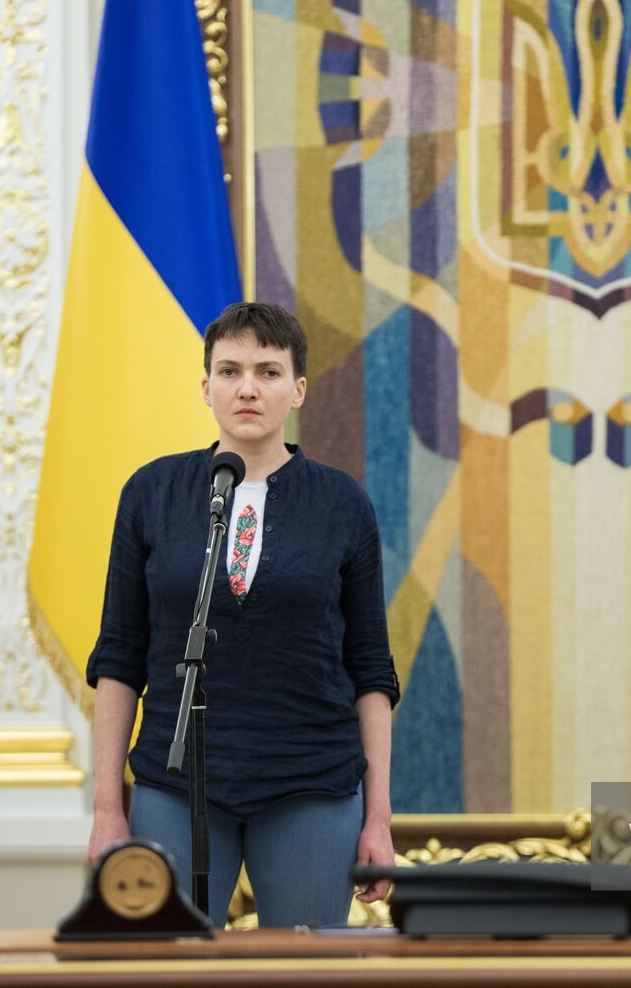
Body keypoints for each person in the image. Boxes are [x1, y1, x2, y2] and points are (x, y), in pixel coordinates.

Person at [85, 302, 399, 928]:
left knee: (305, 976)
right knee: (165, 970)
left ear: (298, 390)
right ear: (205, 388)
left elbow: (370, 668)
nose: (248, 388)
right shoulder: (152, 493)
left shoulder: (342, 503)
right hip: (175, 783)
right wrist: (106, 810)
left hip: (312, 780)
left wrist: (379, 817)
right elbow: (120, 656)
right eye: (229, 371)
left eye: (268, 371)